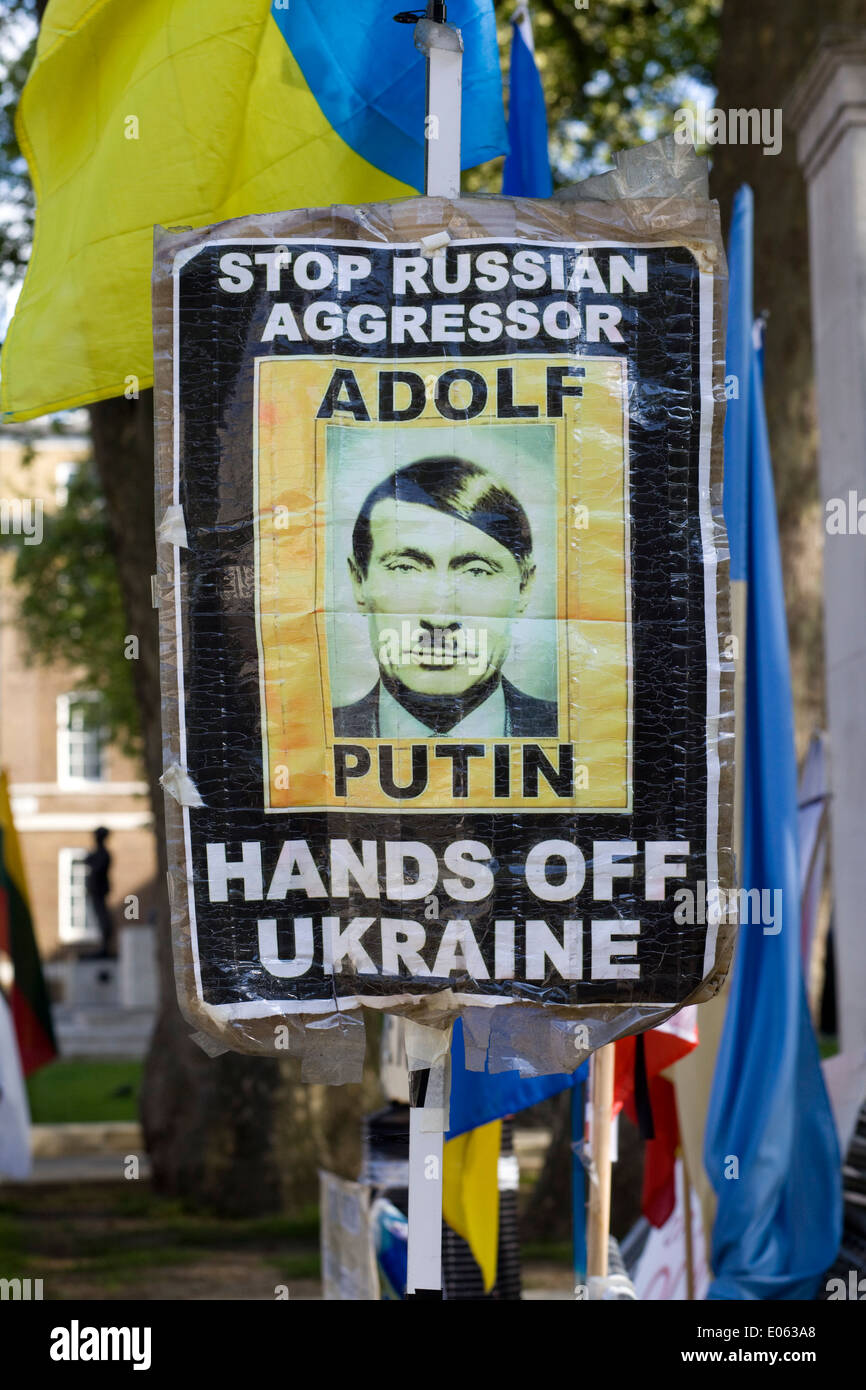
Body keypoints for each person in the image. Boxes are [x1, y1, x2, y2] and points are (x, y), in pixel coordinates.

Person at [333, 455, 557, 737]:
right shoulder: (306, 741)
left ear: (524, 587)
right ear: (358, 581)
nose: (439, 619)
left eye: (476, 572)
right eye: (405, 568)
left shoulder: (588, 735)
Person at [84, 826, 113, 958]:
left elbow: (95, 867)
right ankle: (103, 945)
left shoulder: (103, 854)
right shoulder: (98, 853)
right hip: (95, 891)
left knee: (103, 918)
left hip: (99, 891)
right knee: (100, 917)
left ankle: (105, 946)